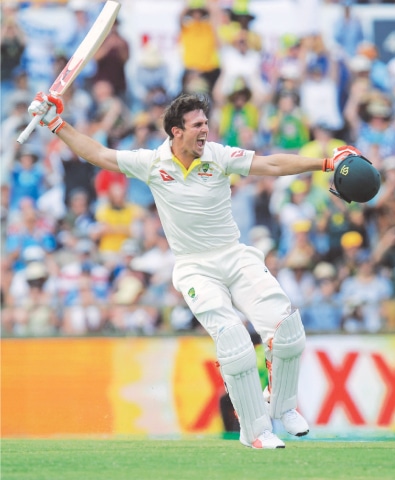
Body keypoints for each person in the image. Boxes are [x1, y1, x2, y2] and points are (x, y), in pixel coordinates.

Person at [27, 90, 360, 449]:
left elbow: (272, 164)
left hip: (234, 255)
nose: (205, 130)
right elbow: (97, 154)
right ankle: (255, 431)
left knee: (287, 328)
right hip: (194, 268)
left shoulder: (217, 155)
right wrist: (55, 122)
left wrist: (326, 164)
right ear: (176, 131)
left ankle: (284, 406)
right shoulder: (152, 163)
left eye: (206, 123)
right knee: (234, 340)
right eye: (197, 125)